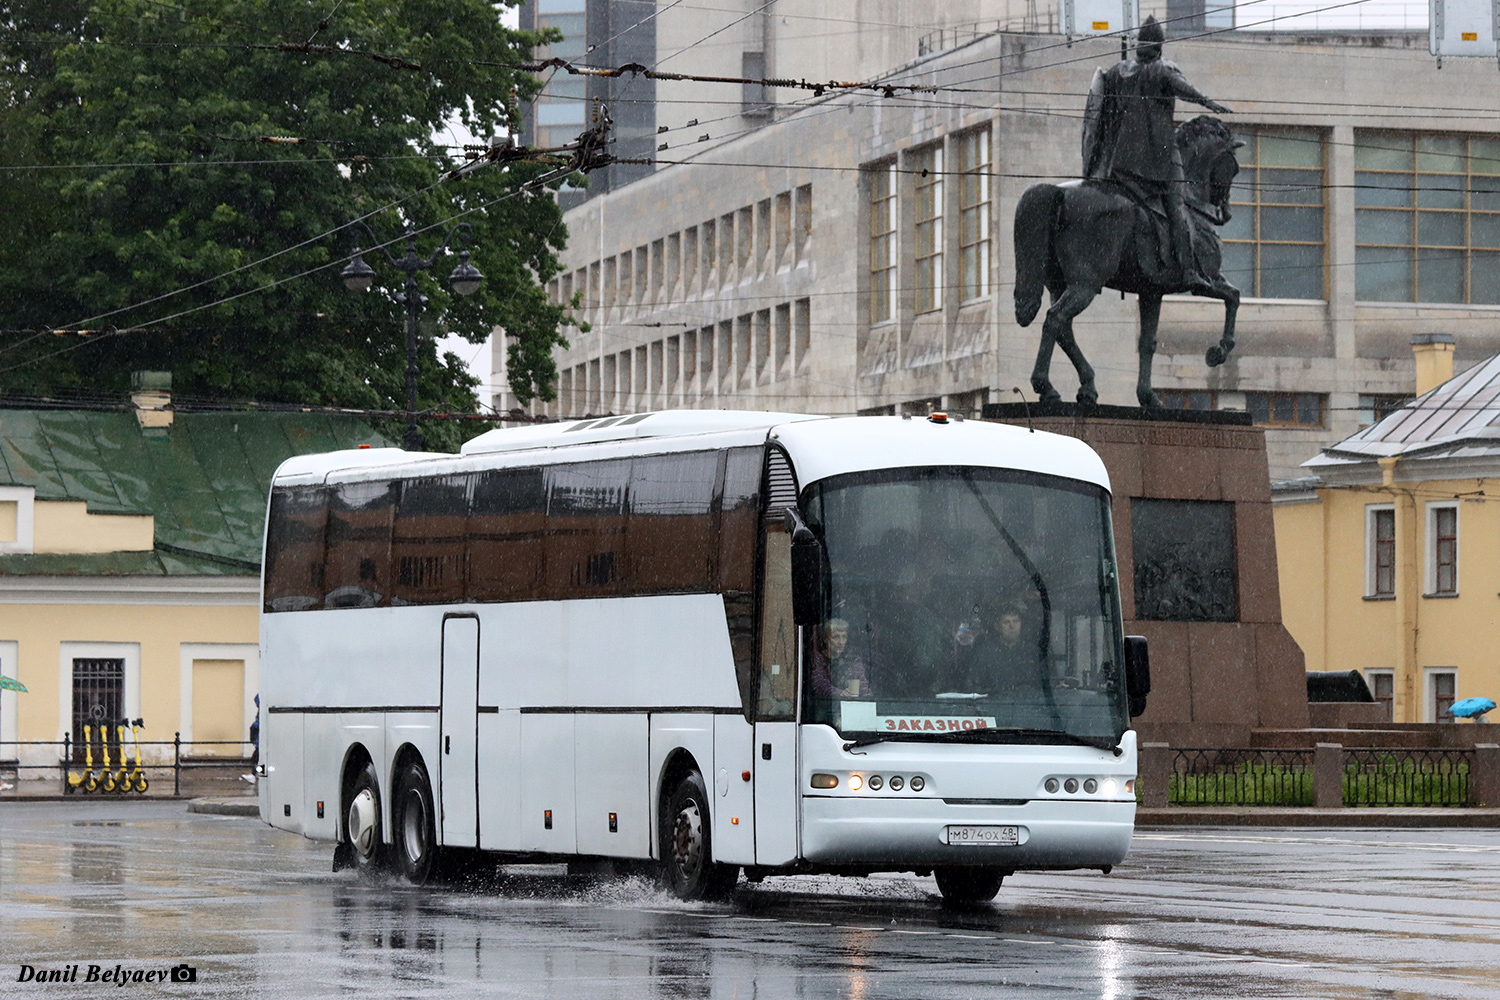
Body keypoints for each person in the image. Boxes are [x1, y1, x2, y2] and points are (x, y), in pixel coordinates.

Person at [1083, 16, 1232, 274]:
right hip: (1157, 159)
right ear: (1159, 46)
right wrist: (1208, 102)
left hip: (1119, 163)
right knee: (1176, 207)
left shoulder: (1117, 71)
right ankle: (1187, 270)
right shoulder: (1162, 69)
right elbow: (1182, 88)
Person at [810, 618, 872, 700]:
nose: (841, 642)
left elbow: (862, 683)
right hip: (826, 706)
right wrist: (839, 694)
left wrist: (869, 700)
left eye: (844, 637)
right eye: (836, 637)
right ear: (826, 639)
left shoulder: (853, 658)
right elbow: (820, 683)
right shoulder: (818, 658)